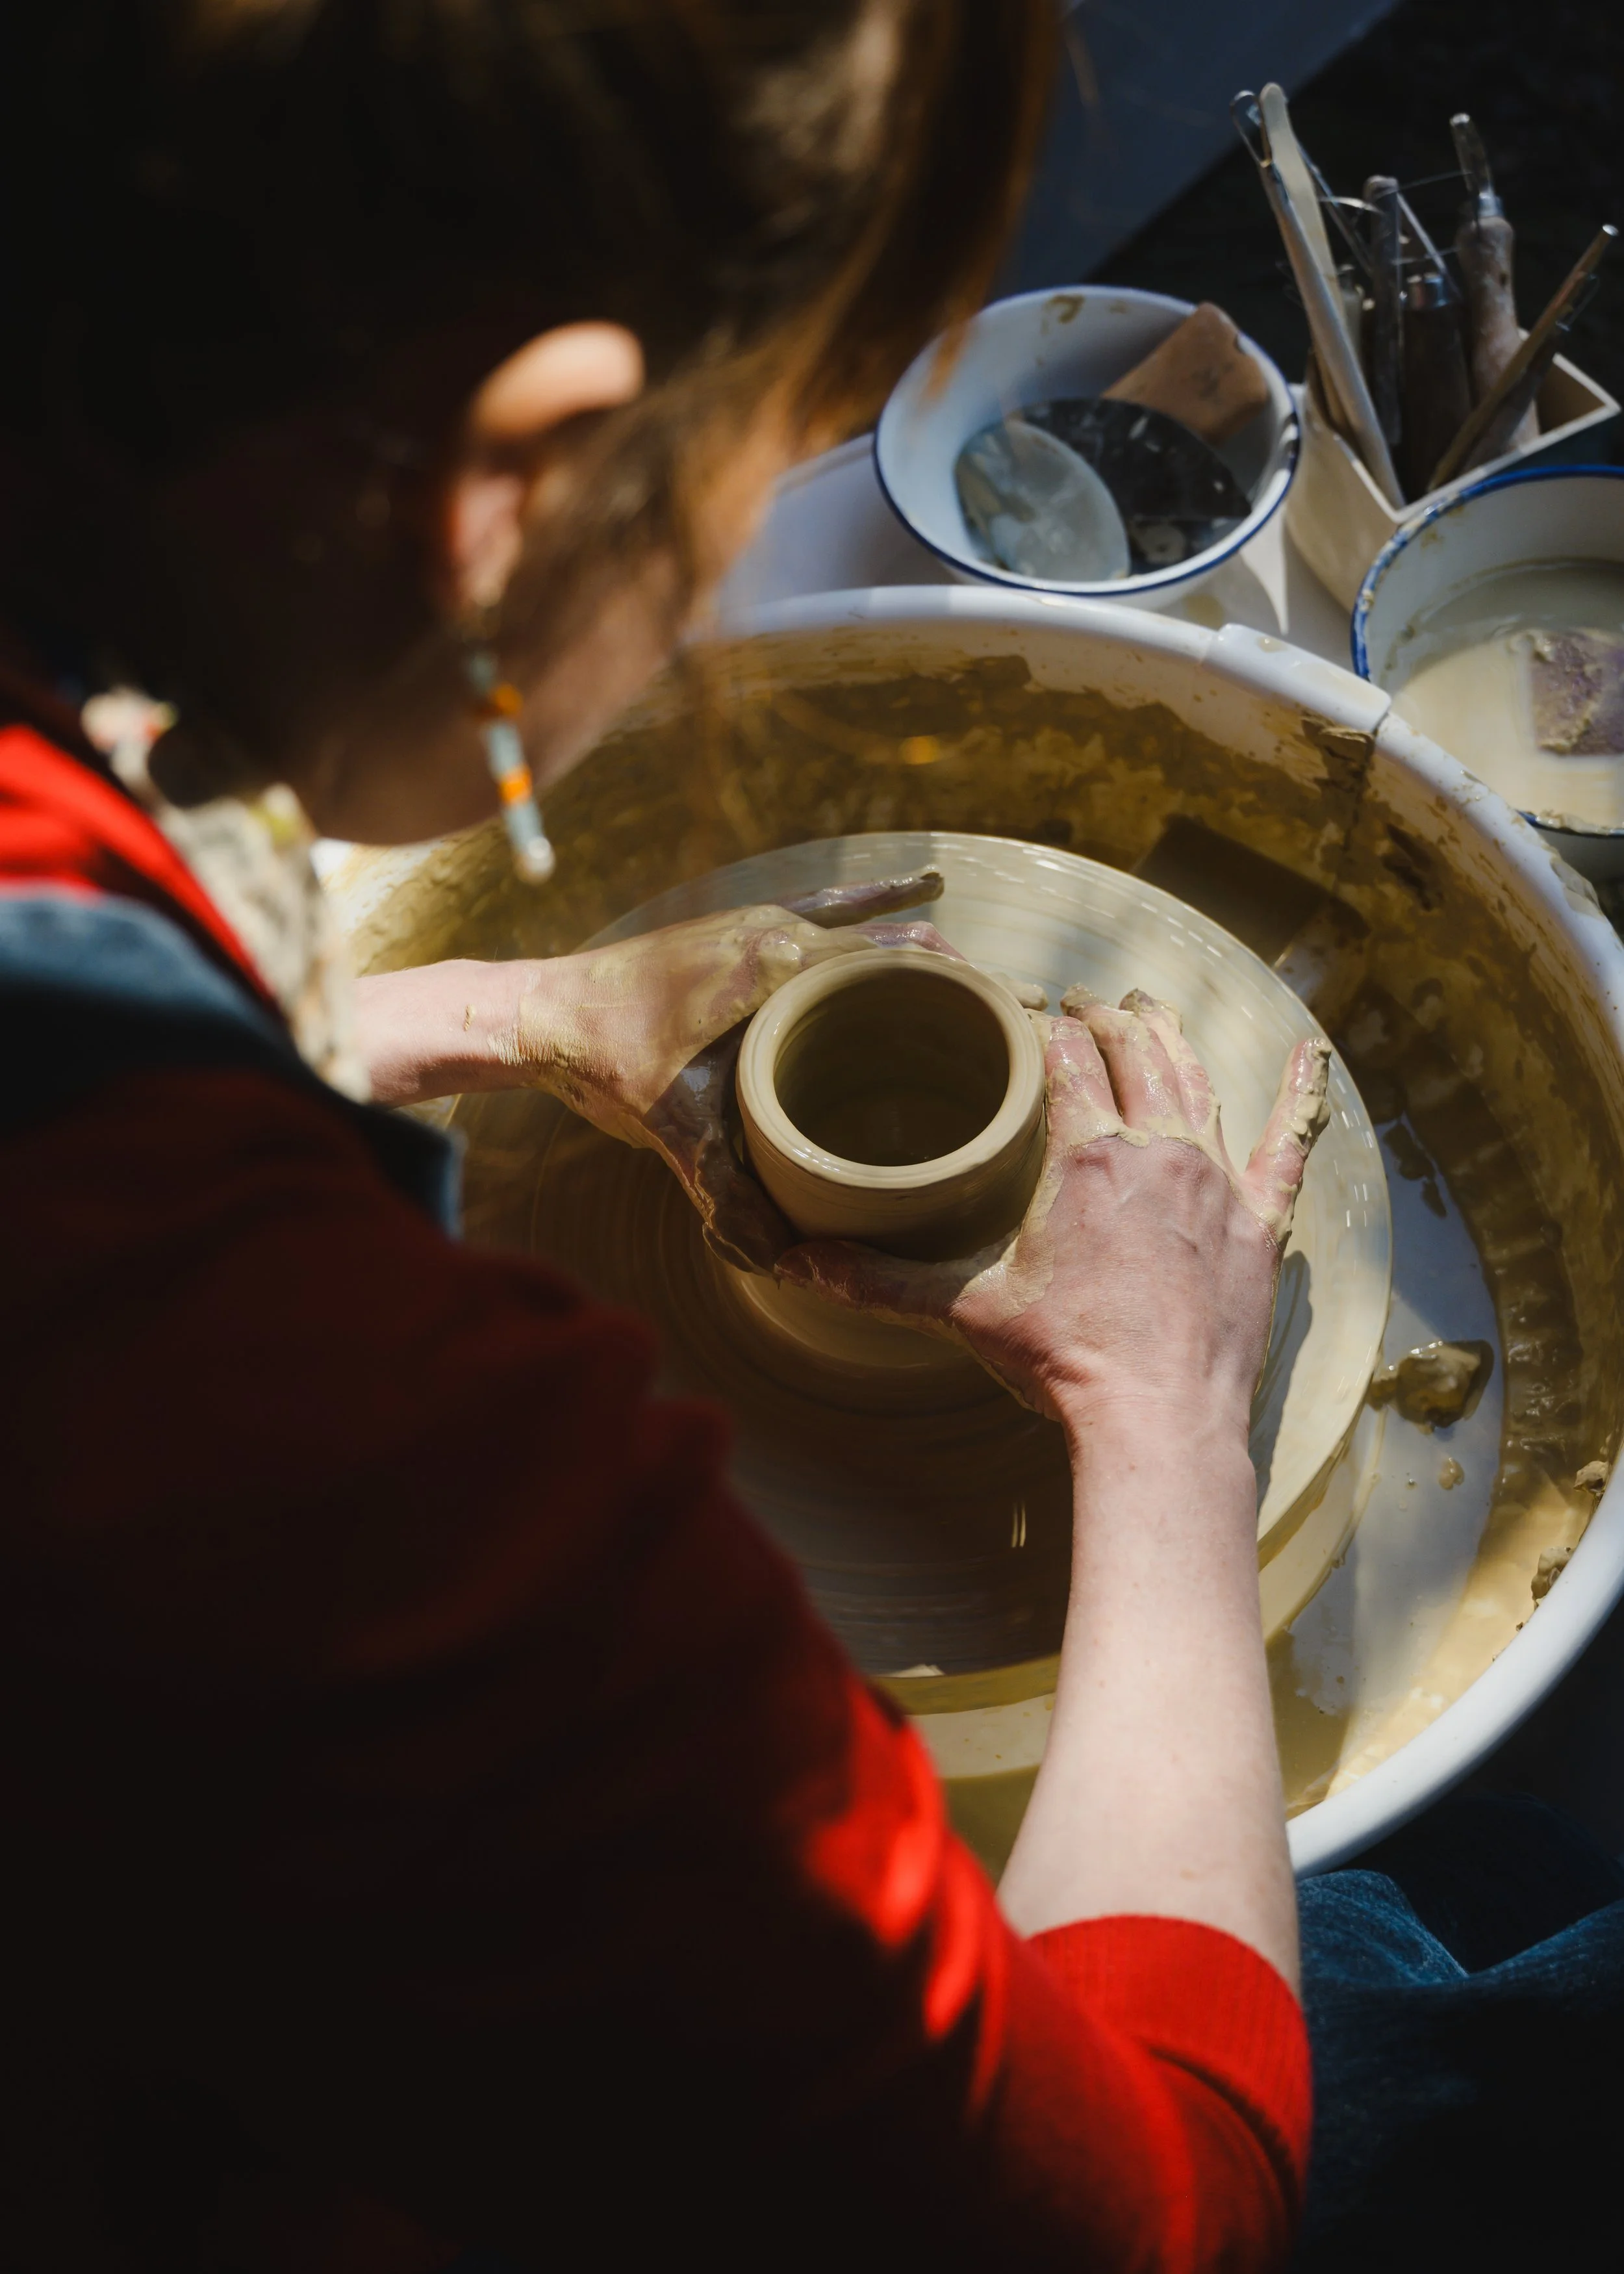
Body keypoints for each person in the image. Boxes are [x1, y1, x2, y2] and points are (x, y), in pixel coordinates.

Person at [0, 6, 1333, 2267]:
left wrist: (488, 1004)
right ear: (529, 468)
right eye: (757, 472)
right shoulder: (362, 1474)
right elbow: (1134, 2216)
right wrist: (1158, 1400)